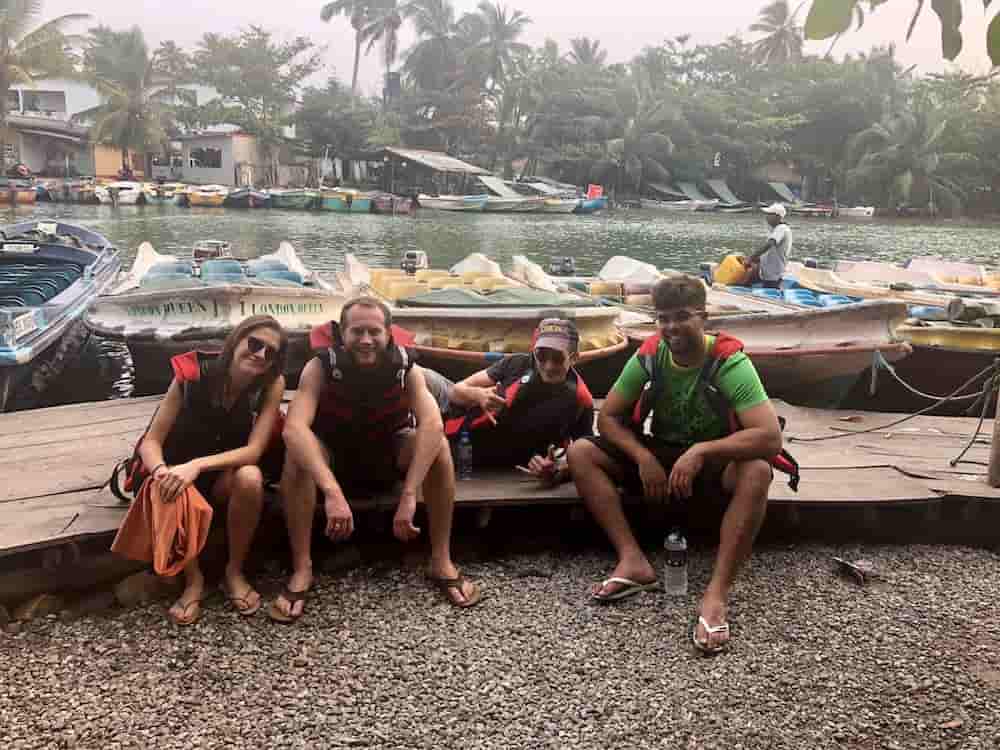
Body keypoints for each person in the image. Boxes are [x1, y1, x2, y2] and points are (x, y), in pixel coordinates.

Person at [567, 276, 783, 654]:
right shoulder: (651, 355)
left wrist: (701, 451)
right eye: (662, 318)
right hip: (661, 451)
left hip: (711, 461)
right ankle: (633, 561)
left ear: (703, 315)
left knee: (758, 470)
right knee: (581, 453)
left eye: (681, 317)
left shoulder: (729, 362)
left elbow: (768, 437)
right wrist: (642, 456)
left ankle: (716, 595)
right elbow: (609, 418)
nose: (671, 328)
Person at [277, 296, 482, 622]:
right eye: (357, 332)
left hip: (388, 454)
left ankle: (441, 559)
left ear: (388, 334)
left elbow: (432, 424)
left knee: (438, 446)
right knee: (297, 452)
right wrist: (331, 491)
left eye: (374, 332)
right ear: (342, 334)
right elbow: (294, 428)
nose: (366, 340)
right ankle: (303, 568)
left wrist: (410, 494)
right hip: (333, 459)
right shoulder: (320, 367)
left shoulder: (406, 369)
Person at [137, 315, 288, 625]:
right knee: (171, 482)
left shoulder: (271, 385)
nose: (260, 355)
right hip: (177, 468)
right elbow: (151, 441)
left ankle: (234, 570)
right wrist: (164, 471)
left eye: (270, 352)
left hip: (218, 473)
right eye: (255, 344)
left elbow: (254, 451)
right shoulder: (191, 375)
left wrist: (196, 466)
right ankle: (194, 580)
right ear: (235, 342)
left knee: (251, 475)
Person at [423, 318, 595, 485]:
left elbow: (585, 454)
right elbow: (456, 391)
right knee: (420, 375)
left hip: (483, 456)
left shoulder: (580, 399)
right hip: (465, 427)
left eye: (557, 358)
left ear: (574, 358)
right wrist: (479, 395)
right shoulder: (517, 364)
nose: (548, 366)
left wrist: (557, 469)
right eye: (541, 355)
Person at [744, 203, 792, 288]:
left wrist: (751, 257)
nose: (767, 217)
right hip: (767, 273)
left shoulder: (781, 229)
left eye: (769, 214)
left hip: (773, 275)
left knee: (769, 292)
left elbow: (769, 244)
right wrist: (756, 259)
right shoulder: (777, 229)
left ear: (777, 216)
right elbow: (771, 251)